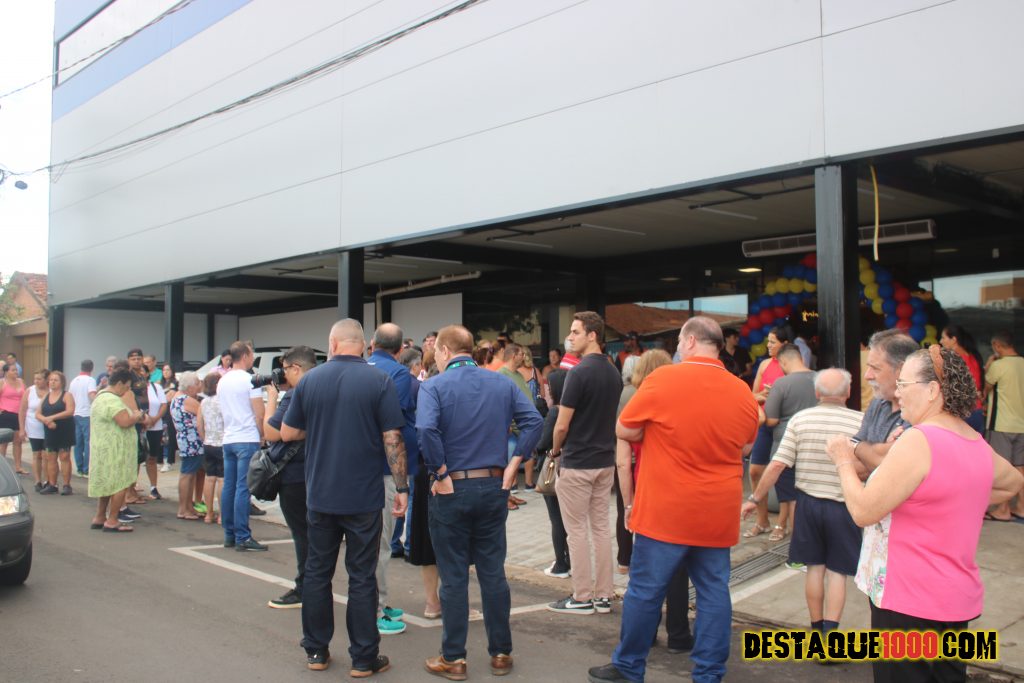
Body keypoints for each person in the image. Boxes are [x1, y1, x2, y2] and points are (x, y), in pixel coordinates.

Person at [827, 346, 1024, 683]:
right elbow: (1012, 482)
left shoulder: (918, 440)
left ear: (932, 390)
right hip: (954, 598)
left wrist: (843, 459)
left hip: (907, 598)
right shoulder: (972, 439)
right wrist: (950, 497)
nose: (898, 393)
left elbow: (862, 511)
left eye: (904, 384)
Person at [589, 317, 759, 683]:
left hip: (666, 509)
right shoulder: (741, 390)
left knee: (645, 591)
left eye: (680, 341)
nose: (678, 348)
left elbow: (624, 428)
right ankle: (709, 673)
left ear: (692, 341)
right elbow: (746, 445)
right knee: (713, 592)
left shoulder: (664, 379)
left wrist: (657, 433)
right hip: (718, 510)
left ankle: (629, 666)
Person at [281, 319, 407, 678]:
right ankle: (364, 658)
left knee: (317, 572)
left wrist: (322, 426)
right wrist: (402, 489)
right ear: (364, 345)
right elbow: (393, 437)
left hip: (320, 494)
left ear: (333, 343)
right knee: (362, 576)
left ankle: (316, 651)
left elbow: (288, 431)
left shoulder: (309, 381)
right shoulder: (379, 381)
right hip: (364, 496)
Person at [418, 324, 542, 680]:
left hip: (452, 487)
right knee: (492, 571)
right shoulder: (501, 383)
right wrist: (515, 464)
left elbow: (425, 429)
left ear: (444, 351)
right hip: (492, 485)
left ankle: (454, 657)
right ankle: (501, 652)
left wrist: (440, 472)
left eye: (437, 352)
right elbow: (534, 421)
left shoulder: (434, 386)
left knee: (454, 576)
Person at [741, 368, 864, 636]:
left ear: (817, 393)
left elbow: (777, 465)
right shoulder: (860, 422)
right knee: (838, 573)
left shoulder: (801, 420)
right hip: (844, 506)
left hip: (808, 505)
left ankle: (816, 628)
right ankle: (831, 633)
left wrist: (755, 498)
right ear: (848, 392)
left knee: (814, 569)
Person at [548, 311, 623, 616]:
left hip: (578, 461)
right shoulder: (612, 372)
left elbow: (561, 425)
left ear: (592, 335)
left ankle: (581, 597)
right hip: (604, 460)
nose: (570, 337)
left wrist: (555, 451)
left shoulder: (578, 373)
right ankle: (603, 595)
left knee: (576, 531)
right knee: (601, 529)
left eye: (575, 332)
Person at [366, 323, 418, 635]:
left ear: (372, 344)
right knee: (380, 544)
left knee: (375, 542)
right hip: (385, 468)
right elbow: (392, 424)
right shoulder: (398, 374)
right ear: (400, 350)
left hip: (363, 466)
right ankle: (375, 608)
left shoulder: (361, 369)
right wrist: (402, 483)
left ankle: (379, 601)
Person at [264, 346, 316, 609]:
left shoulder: (295, 394)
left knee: (302, 534)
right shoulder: (322, 388)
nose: (282, 374)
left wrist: (272, 398)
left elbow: (272, 433)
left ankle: (305, 588)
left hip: (295, 474)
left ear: (296, 368)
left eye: (284, 369)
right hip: (318, 471)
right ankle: (316, 585)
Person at [761, 343, 817, 542]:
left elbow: (771, 420)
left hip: (786, 447)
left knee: (791, 498)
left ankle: (798, 542)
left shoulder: (781, 384)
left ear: (783, 361)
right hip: (814, 446)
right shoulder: (820, 378)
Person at [219, 340, 267, 551]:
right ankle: (243, 536)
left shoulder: (223, 380)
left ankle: (229, 534)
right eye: (252, 354)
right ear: (246, 356)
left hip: (229, 437)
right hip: (246, 437)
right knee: (243, 488)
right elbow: (259, 412)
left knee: (229, 486)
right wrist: (262, 434)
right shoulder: (250, 380)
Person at [743, 325, 791, 539]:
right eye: (768, 341)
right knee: (755, 471)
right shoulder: (764, 364)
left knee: (782, 474)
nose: (768, 345)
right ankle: (762, 521)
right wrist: (764, 394)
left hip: (783, 424)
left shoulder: (790, 365)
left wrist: (777, 395)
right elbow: (752, 396)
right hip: (763, 423)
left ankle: (782, 524)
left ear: (785, 344)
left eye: (773, 342)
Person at [87, 364, 145, 533]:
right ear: (119, 383)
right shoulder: (112, 400)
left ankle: (100, 516)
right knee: (119, 484)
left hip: (102, 447)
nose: (127, 390)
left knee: (107, 483)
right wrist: (137, 416)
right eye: (127, 386)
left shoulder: (100, 396)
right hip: (115, 449)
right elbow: (124, 422)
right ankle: (112, 520)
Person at [850, 329, 919, 472]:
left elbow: (895, 466)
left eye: (875, 368)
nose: (867, 376)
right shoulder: (878, 402)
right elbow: (852, 461)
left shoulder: (920, 408)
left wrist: (858, 447)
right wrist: (877, 453)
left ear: (902, 370)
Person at [984, 331, 1024, 521]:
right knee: (1020, 467)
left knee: (1002, 468)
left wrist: (989, 365)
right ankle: (1022, 507)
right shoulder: (1022, 363)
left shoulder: (998, 365)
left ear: (997, 346)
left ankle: (1002, 509)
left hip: (1001, 423)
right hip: (1021, 425)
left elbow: (986, 389)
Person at [538, 369, 571, 579]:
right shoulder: (573, 409)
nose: (546, 392)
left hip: (554, 468)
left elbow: (543, 443)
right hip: (573, 466)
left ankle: (561, 564)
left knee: (556, 519)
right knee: (570, 519)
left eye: (548, 388)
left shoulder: (555, 412)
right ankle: (570, 559)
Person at [498, 343, 532, 507]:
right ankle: (503, 498)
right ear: (513, 356)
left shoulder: (518, 375)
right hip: (510, 429)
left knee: (515, 462)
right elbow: (499, 401)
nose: (524, 357)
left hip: (522, 428)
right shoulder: (501, 375)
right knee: (506, 464)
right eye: (521, 354)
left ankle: (509, 495)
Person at [169, 372, 203, 521]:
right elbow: (204, 414)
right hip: (192, 440)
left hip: (185, 439)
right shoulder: (187, 400)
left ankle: (188, 507)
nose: (200, 386)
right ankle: (183, 509)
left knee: (190, 473)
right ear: (190, 387)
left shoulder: (176, 397)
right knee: (187, 474)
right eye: (197, 383)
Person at [37, 370, 77, 495]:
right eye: (51, 380)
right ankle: (52, 484)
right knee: (50, 457)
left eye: (55, 380)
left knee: (64, 456)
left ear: (62, 382)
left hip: (64, 429)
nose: (52, 382)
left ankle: (67, 485)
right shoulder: (46, 396)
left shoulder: (67, 395)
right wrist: (46, 420)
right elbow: (37, 413)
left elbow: (70, 411)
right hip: (50, 430)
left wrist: (52, 418)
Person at [941, 324, 986, 432]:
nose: (941, 341)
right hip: (977, 410)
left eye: (943, 338)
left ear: (954, 340)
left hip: (962, 411)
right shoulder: (974, 357)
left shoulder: (955, 360)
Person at [196, 373, 224, 524]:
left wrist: (204, 438)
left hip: (208, 443)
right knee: (222, 479)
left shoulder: (203, 402)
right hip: (222, 442)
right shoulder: (223, 401)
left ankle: (209, 513)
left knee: (209, 478)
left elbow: (199, 424)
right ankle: (222, 515)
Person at [19, 368, 49, 491]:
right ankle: (37, 481)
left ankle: (48, 480)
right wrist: (22, 429)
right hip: (33, 427)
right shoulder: (29, 391)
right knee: (37, 454)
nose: (36, 381)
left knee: (47, 455)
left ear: (46, 380)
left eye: (39, 379)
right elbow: (22, 410)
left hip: (48, 427)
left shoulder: (52, 391)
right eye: (35, 379)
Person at [68, 359, 97, 477]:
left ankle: (79, 468)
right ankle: (86, 469)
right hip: (87, 414)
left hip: (75, 413)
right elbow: (92, 394)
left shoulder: (74, 381)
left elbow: (70, 396)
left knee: (78, 442)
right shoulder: (91, 380)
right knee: (88, 442)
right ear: (92, 368)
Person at [144, 367, 169, 500]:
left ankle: (153, 487)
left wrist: (154, 419)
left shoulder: (156, 387)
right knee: (136, 459)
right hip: (140, 427)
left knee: (152, 458)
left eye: (143, 371)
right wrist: (144, 421)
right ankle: (131, 489)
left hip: (155, 426)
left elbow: (163, 405)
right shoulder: (132, 389)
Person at [0, 361, 27, 475]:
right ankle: (2, 467)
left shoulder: (21, 381)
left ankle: (18, 467)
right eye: (13, 370)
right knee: (4, 442)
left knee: (18, 441)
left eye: (16, 370)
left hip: (19, 415)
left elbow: (26, 397)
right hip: (6, 414)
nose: (16, 372)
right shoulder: (2, 382)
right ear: (6, 372)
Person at [160, 364, 179, 472]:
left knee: (170, 436)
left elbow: (171, 397)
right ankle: (161, 459)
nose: (165, 372)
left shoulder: (175, 383)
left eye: (168, 370)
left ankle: (169, 461)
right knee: (162, 437)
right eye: (164, 370)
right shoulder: (160, 383)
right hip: (161, 412)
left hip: (170, 411)